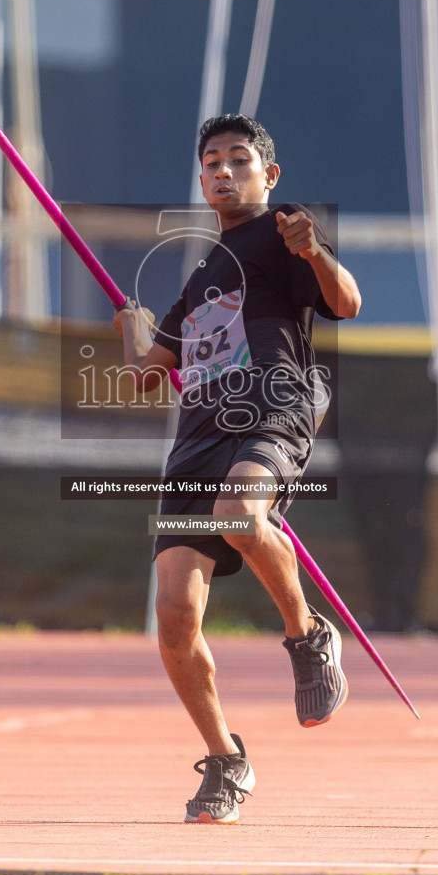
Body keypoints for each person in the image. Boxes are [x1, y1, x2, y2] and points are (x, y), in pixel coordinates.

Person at [113, 114, 362, 823]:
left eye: (239, 160)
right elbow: (144, 374)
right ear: (201, 179)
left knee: (242, 515)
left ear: (268, 175)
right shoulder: (197, 281)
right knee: (173, 616)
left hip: (272, 412)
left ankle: (308, 636)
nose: (223, 171)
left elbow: (345, 303)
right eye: (212, 162)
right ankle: (226, 760)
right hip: (196, 442)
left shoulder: (285, 231)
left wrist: (315, 253)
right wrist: (134, 333)